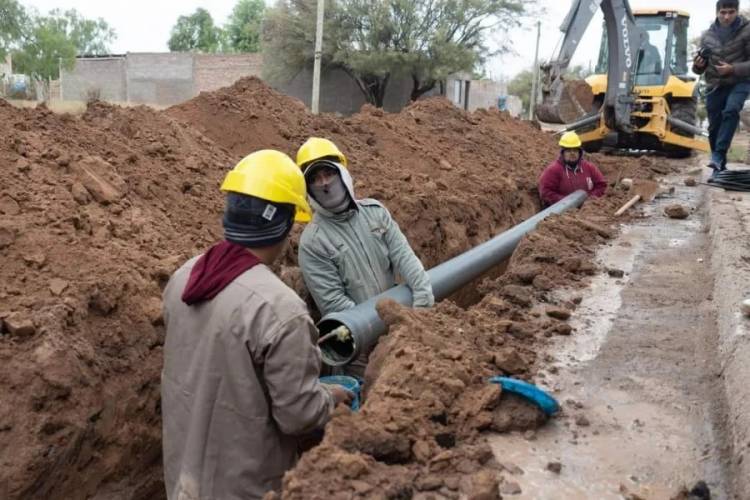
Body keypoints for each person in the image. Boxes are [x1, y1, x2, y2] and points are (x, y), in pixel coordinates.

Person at [161, 150, 352, 500]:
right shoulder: (281, 310)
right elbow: (299, 415)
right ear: (285, 223)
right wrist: (331, 397)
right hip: (245, 486)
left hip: (183, 479)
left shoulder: (184, 277)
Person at [295, 138, 434, 375]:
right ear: (307, 189)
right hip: (359, 347)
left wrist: (421, 308)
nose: (325, 183)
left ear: (343, 173)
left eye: (329, 173)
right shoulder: (313, 242)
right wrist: (378, 328)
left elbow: (405, 258)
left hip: (396, 329)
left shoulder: (375, 213)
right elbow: (335, 303)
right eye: (315, 179)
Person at [693, 0, 750, 175]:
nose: (726, 17)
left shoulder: (747, 31)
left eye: (731, 12)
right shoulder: (707, 35)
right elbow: (698, 70)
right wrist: (698, 65)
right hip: (715, 85)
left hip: (740, 81)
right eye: (723, 12)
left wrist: (733, 69)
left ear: (737, 12)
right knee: (714, 127)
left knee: (731, 110)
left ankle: (717, 155)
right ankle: (719, 168)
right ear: (717, 12)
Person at [538, 131, 607, 207]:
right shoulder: (553, 170)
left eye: (575, 150)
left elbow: (601, 185)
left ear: (579, 152)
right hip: (562, 212)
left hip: (587, 210)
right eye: (568, 151)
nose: (572, 153)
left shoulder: (589, 167)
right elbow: (546, 192)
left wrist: (590, 199)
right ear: (563, 153)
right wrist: (567, 202)